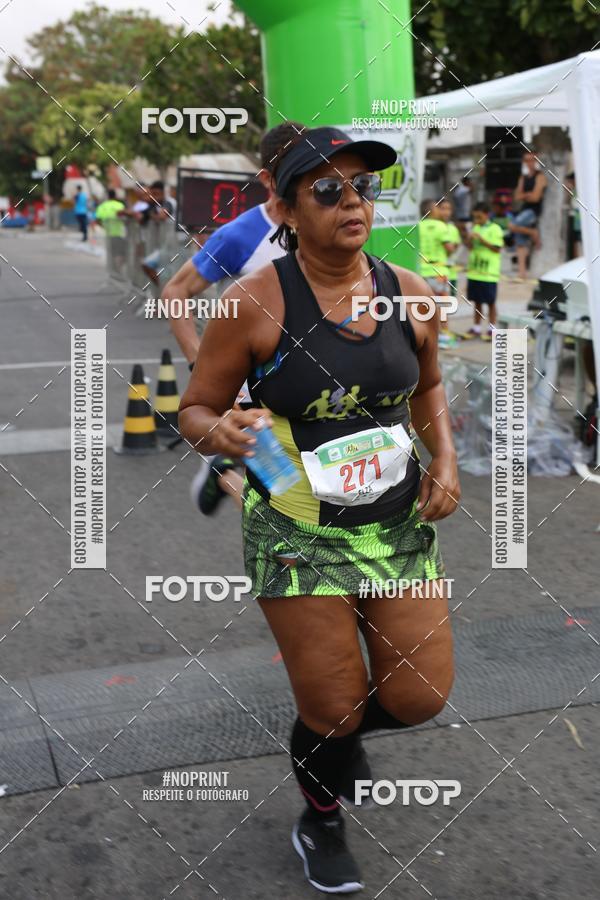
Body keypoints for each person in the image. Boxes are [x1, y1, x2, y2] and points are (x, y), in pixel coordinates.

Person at [179, 126, 460, 893]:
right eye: (328, 190)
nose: (353, 202)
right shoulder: (251, 304)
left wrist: (446, 458)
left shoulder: (410, 289)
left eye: (364, 187)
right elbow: (195, 410)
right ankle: (320, 815)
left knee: (418, 695)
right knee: (334, 706)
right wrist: (221, 430)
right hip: (294, 526)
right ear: (288, 210)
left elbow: (428, 384)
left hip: (395, 521)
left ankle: (326, 750)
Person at [162, 121, 305, 515]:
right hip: (249, 382)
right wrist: (197, 359)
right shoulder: (240, 235)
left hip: (307, 376)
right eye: (291, 169)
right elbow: (175, 292)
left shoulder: (320, 224)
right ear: (268, 179)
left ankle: (219, 466)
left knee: (310, 490)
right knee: (281, 496)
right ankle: (221, 472)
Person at [464, 201, 504, 339]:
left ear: (487, 215)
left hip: (489, 273)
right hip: (474, 272)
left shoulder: (495, 229)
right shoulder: (475, 228)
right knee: (477, 301)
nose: (477, 220)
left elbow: (497, 248)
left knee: (491, 302)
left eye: (479, 217)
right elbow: (469, 247)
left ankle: (492, 328)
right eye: (475, 217)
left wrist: (481, 239)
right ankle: (476, 327)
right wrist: (468, 238)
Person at [512, 151, 547, 280]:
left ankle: (533, 232)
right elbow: (517, 196)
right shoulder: (524, 177)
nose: (530, 163)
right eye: (527, 160)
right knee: (520, 242)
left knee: (512, 225)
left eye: (532, 160)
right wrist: (528, 195)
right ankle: (522, 274)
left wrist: (525, 195)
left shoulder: (540, 176)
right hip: (525, 209)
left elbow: (536, 198)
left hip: (533, 211)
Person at [95, 189, 126, 272]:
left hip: (108, 233)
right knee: (119, 252)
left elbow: (98, 220)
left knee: (111, 252)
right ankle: (118, 269)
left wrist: (104, 227)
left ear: (107, 196)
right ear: (115, 196)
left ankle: (113, 268)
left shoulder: (102, 206)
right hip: (120, 233)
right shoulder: (120, 205)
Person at [437, 198, 461, 296]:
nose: (446, 212)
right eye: (443, 208)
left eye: (449, 209)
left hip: (452, 273)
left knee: (451, 304)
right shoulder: (433, 227)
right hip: (437, 273)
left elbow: (455, 247)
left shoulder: (453, 228)